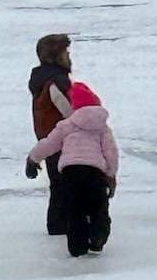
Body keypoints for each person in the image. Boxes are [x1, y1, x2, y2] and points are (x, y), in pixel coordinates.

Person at [26, 81, 119, 258]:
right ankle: (98, 234)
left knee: (75, 211)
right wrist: (111, 175)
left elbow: (48, 144)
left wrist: (33, 158)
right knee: (99, 207)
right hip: (95, 174)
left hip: (70, 173)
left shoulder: (66, 125)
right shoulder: (102, 129)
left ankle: (77, 246)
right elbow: (111, 152)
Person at [28, 33, 73, 235]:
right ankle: (61, 225)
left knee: (58, 183)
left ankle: (58, 224)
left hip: (48, 138)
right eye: (65, 52)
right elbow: (70, 111)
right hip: (61, 139)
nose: (69, 56)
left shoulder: (42, 79)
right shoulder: (56, 81)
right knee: (64, 184)